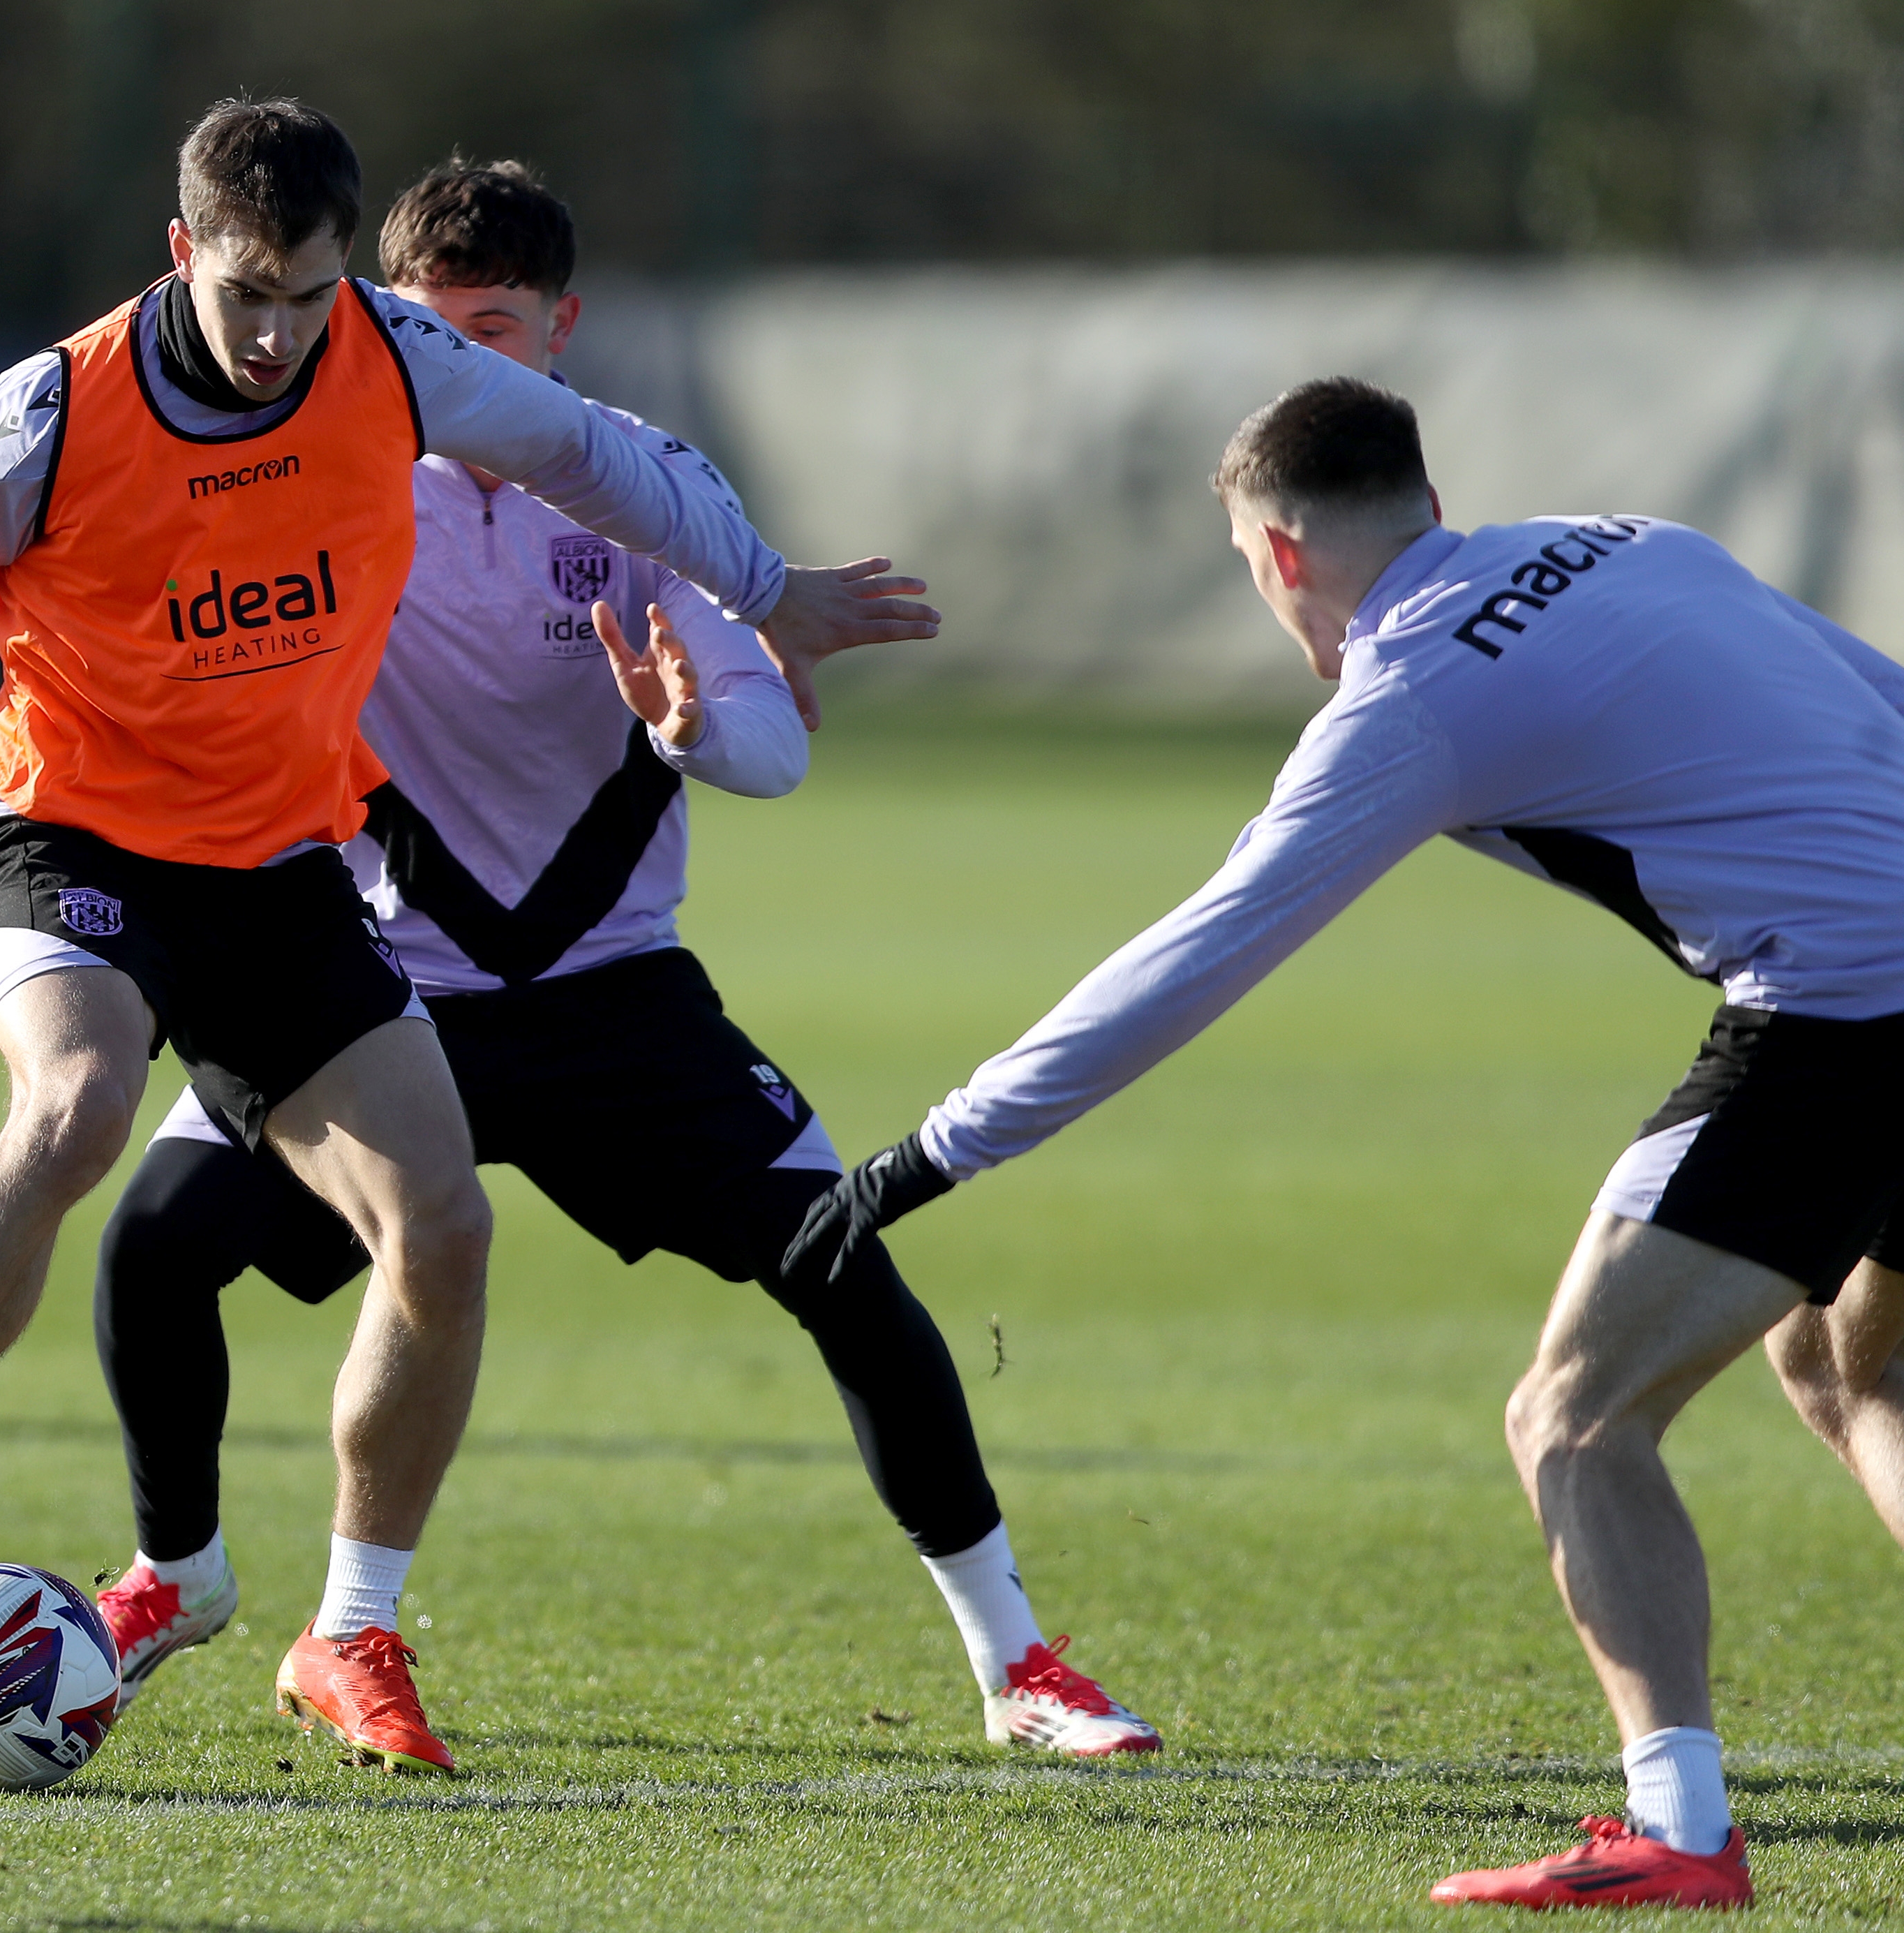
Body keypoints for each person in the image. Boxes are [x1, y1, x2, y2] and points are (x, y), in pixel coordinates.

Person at [0, 98, 937, 1768]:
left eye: (309, 298)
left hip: (275, 865)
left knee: (442, 1227)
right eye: (247, 294)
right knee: (79, 1104)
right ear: (181, 256)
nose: (278, 337)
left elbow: (606, 459)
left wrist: (766, 590)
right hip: (73, 826)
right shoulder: (48, 411)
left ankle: (350, 1633)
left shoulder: (392, 357)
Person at [82, 159, 1159, 1777]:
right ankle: (193, 1580)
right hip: (383, 991)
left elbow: (770, 752)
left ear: (564, 329)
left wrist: (693, 722)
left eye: (498, 331)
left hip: (615, 998)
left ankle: (1016, 1659)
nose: (463, 370)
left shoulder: (644, 490)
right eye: (429, 334)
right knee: (153, 1252)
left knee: (842, 1267)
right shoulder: (321, 480)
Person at [790, 375, 1904, 1911]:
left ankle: (1683, 1831)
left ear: (1274, 557)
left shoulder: (1409, 695)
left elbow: (1195, 955)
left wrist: (932, 1152)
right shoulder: (1633, 539)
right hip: (1879, 981)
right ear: (1429, 505)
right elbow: (1879, 698)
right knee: (1850, 1361)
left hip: (1847, 1016)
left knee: (1572, 1422)